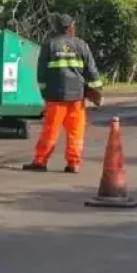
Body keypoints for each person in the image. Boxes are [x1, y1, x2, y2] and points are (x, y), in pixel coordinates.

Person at [25, 15, 103, 174]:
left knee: (50, 130)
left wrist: (44, 93)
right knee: (75, 132)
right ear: (71, 27)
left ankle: (40, 161)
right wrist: (97, 92)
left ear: (57, 28)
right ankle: (73, 164)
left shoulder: (49, 45)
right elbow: (92, 72)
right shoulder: (81, 45)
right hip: (77, 96)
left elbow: (41, 73)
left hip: (55, 96)